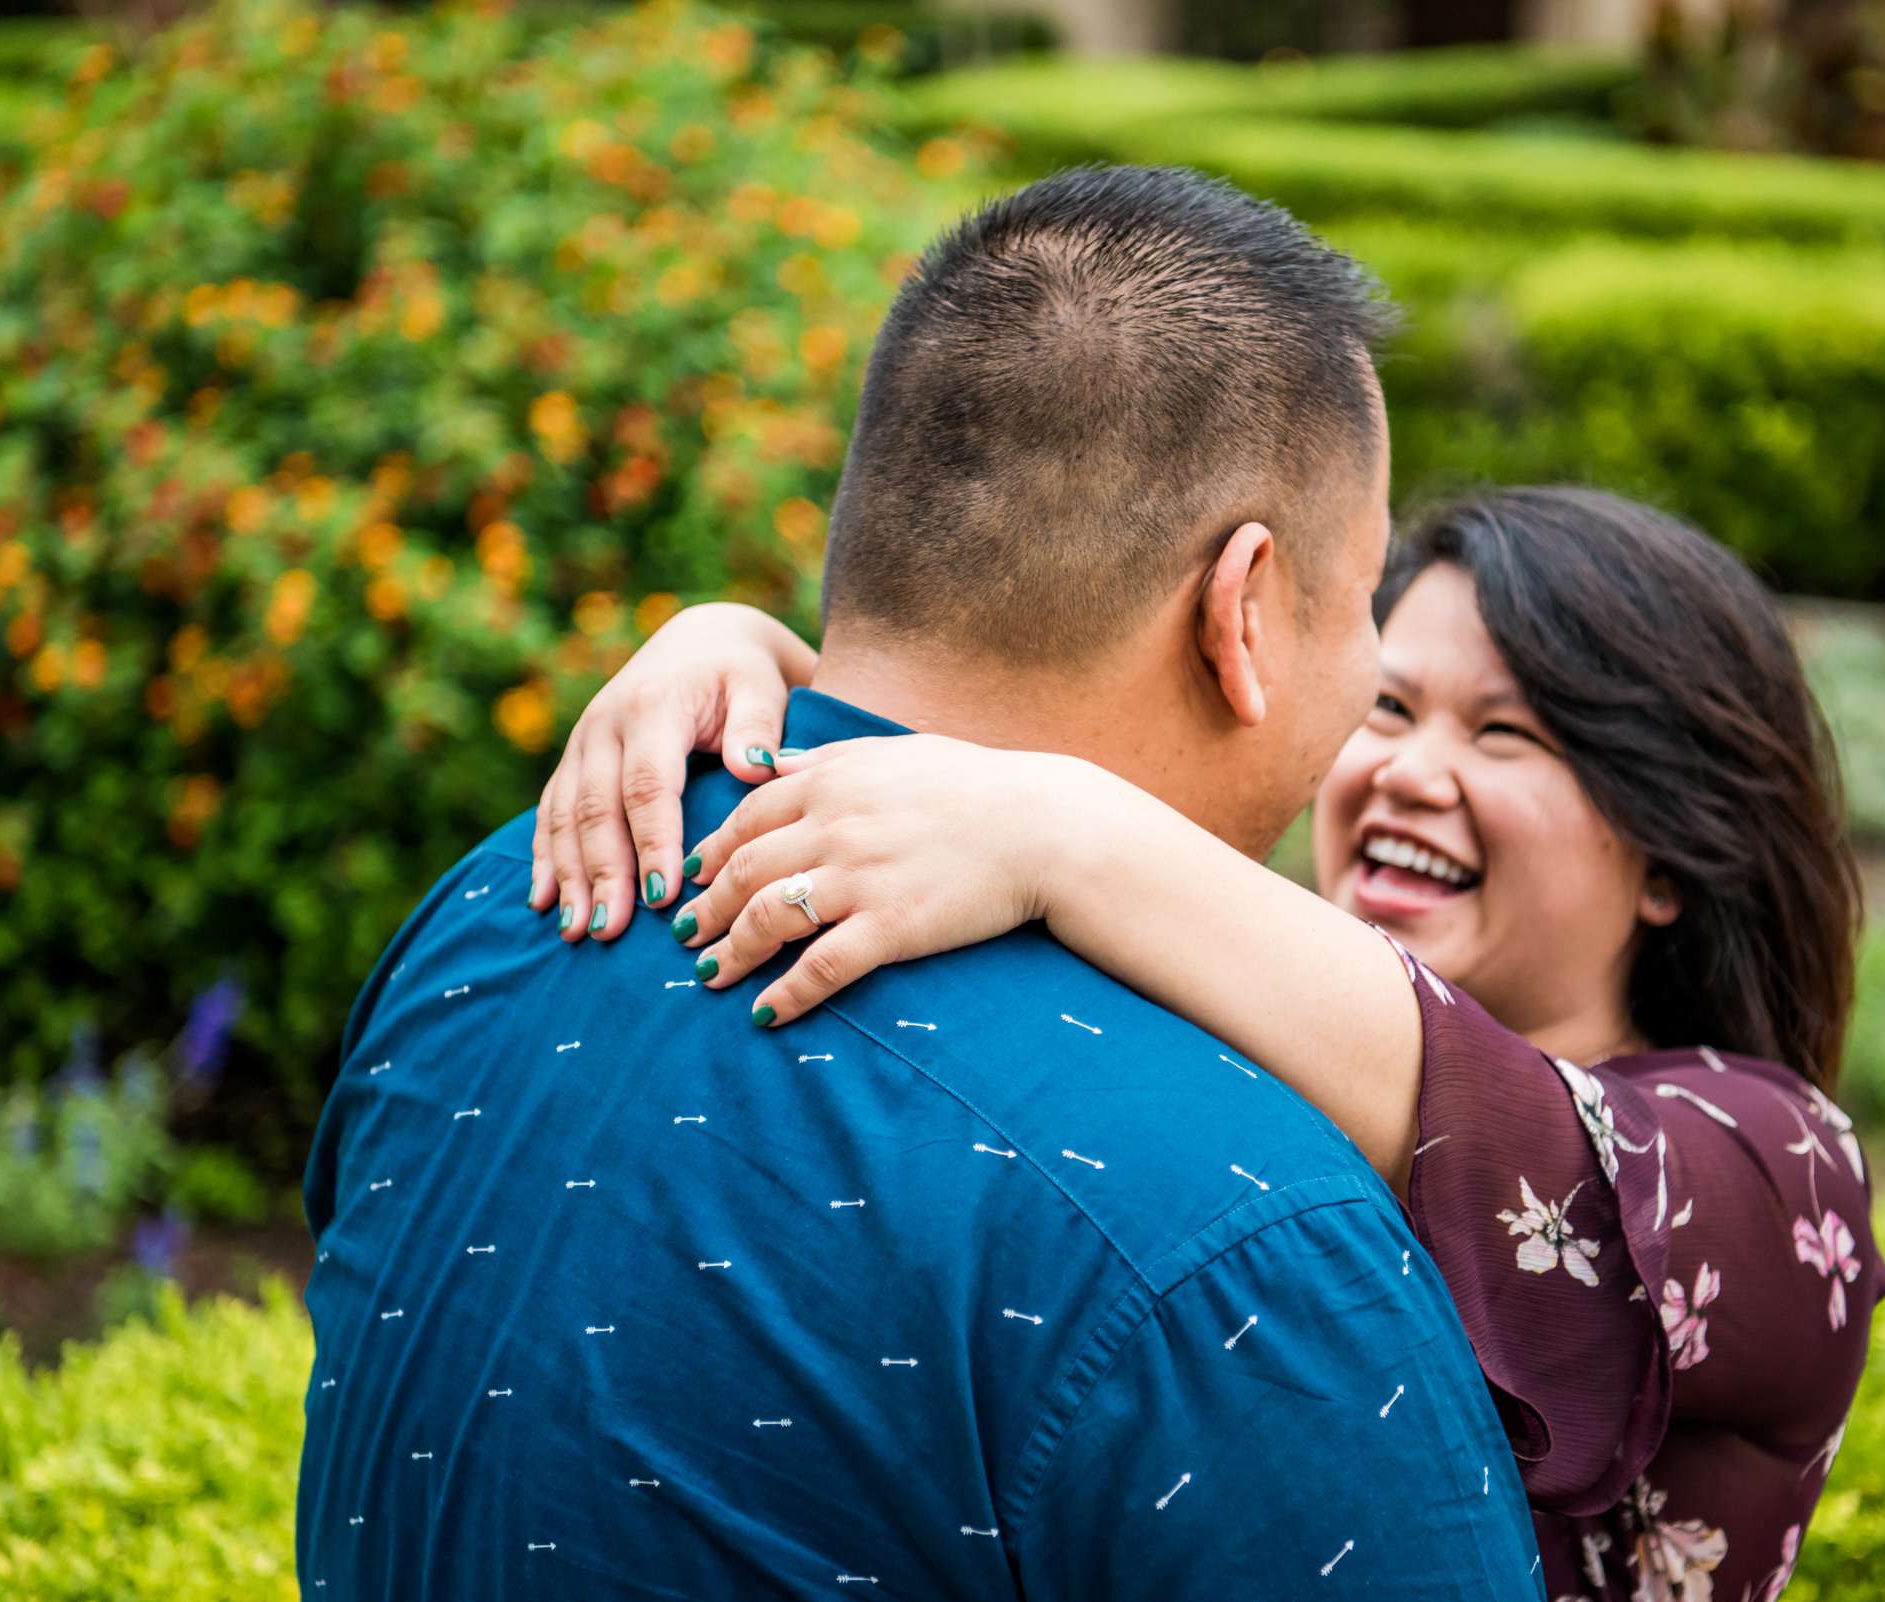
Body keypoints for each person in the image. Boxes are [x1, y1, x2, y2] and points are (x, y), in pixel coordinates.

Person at [298, 165, 1544, 1601]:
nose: (1374, 673)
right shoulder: (1242, 1230)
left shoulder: (486, 919)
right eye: (1366, 598)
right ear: (1244, 607)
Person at [534, 487, 1885, 1602]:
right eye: (1390, 707)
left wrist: (1063, 826)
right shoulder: (1242, 1004)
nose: (1413, 770)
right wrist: (758, 677)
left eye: (1510, 734)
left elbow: (1530, 1159)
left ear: (1669, 850)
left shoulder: (1781, 1171)